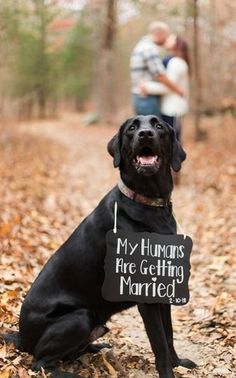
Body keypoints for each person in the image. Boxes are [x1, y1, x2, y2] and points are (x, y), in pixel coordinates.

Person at [140, 34, 190, 141]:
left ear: (176, 44)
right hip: (169, 107)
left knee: (173, 141)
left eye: (171, 38)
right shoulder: (172, 60)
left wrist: (147, 87)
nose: (167, 38)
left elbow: (168, 87)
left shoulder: (176, 62)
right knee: (169, 140)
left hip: (173, 109)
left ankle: (176, 158)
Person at [130, 21, 184, 116]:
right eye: (166, 35)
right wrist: (178, 90)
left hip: (140, 97)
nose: (167, 38)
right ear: (160, 34)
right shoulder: (149, 48)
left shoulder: (142, 45)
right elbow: (160, 75)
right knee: (152, 129)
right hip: (147, 98)